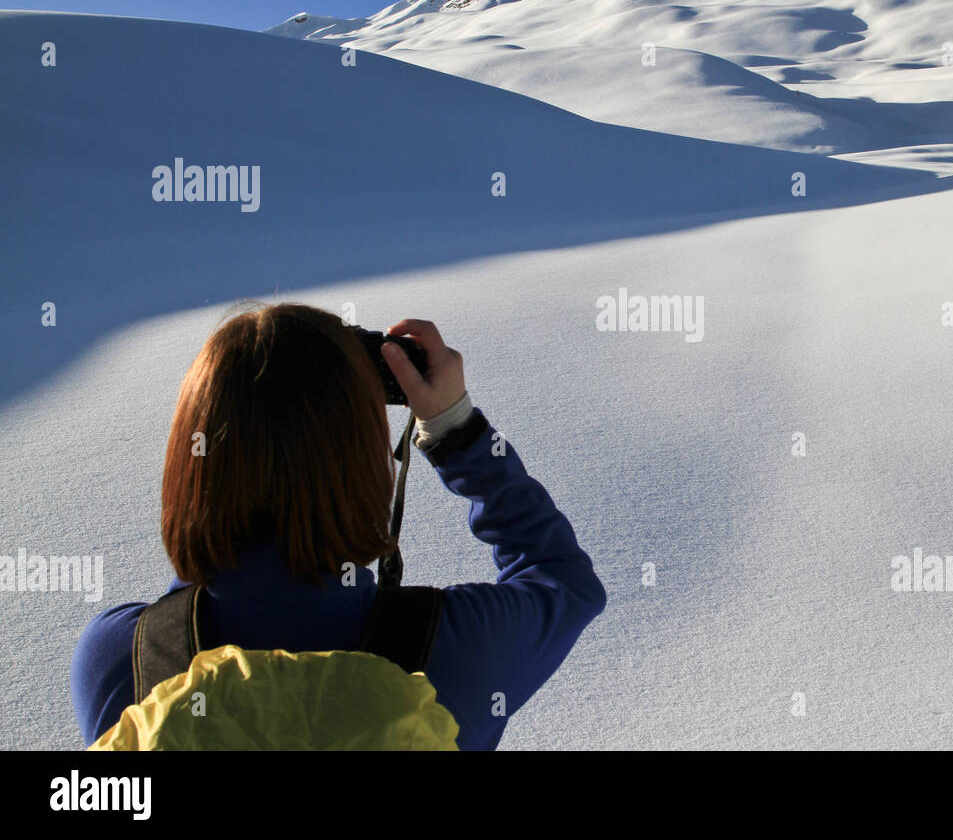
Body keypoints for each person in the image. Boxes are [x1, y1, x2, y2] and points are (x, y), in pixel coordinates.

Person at [70, 303, 605, 749]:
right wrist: (455, 429)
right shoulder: (455, 650)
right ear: (366, 466)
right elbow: (563, 579)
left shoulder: (127, 658)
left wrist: (216, 518)